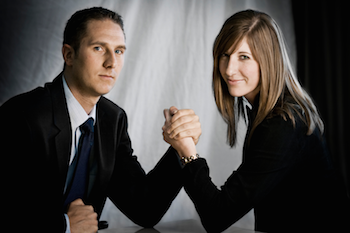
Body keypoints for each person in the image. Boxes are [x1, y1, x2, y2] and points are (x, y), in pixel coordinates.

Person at [0, 7, 201, 233]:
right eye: (98, 48)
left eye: (119, 51)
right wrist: (63, 225)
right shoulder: (20, 116)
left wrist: (180, 146)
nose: (111, 63)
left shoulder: (112, 120)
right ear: (69, 55)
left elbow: (144, 209)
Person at [163, 10, 349, 232]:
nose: (229, 69)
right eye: (225, 55)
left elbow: (217, 215)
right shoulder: (268, 111)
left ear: (267, 61)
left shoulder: (283, 123)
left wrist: (187, 151)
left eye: (244, 57)